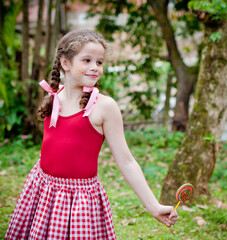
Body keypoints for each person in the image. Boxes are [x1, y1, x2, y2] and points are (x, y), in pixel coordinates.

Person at [5, 29, 178, 240]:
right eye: (87, 60)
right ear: (65, 63)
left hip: (79, 200)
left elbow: (126, 161)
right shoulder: (54, 95)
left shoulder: (105, 107)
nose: (95, 68)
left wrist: (153, 206)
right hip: (43, 190)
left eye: (99, 62)